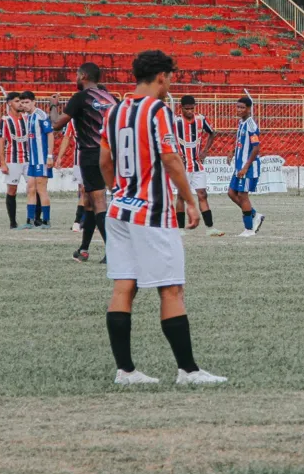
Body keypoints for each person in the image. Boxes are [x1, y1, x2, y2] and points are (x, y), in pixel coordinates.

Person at [99, 50, 226, 386]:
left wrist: (120, 190)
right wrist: (191, 202)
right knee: (171, 288)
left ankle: (125, 371)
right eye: (171, 76)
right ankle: (188, 371)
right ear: (161, 77)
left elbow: (105, 162)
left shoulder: (114, 111)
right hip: (152, 212)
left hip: (119, 211)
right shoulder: (158, 110)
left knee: (124, 286)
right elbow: (170, 160)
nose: (171, 83)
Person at [50, 63, 116, 263]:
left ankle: (114, 252)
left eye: (77, 74)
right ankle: (84, 249)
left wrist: (53, 105)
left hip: (91, 154)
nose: (76, 78)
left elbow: (56, 124)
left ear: (84, 76)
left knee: (98, 203)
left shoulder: (80, 98)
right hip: (113, 154)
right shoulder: (111, 98)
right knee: (88, 201)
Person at [174, 95, 224, 237]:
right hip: (182, 166)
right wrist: (176, 154)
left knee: (203, 194)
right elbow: (167, 138)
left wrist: (205, 150)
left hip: (197, 164)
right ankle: (180, 229)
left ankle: (210, 228)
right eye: (186, 109)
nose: (190, 111)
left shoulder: (201, 119)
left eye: (192, 108)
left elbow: (212, 133)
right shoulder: (175, 121)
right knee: (181, 196)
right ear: (181, 108)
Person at [227, 96, 266, 238]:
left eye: (242, 107)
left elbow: (256, 148)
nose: (239, 110)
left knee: (243, 196)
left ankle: (249, 229)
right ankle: (255, 215)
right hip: (239, 166)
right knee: (231, 193)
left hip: (247, 168)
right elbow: (239, 141)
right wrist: (232, 151)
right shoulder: (241, 123)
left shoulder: (251, 126)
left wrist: (245, 167)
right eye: (238, 107)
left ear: (249, 109)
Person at [19, 91, 55, 230]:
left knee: (41, 189)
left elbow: (50, 134)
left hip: (42, 160)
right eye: (22, 103)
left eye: (27, 102)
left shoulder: (41, 116)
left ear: (34, 101)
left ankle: (46, 221)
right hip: (32, 160)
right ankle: (30, 220)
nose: (24, 105)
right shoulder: (28, 117)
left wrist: (50, 156)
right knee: (30, 189)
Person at [0, 91, 29, 229]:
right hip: (12, 159)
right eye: (17, 101)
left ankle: (33, 220)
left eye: (21, 101)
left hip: (28, 159)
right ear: (9, 103)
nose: (20, 103)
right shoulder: (4, 121)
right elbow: (1, 142)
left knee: (33, 188)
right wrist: (3, 163)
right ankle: (13, 222)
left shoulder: (27, 118)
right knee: (12, 190)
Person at [54, 120, 89, 231]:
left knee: (90, 190)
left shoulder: (98, 114)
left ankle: (80, 221)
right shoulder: (73, 120)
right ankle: (82, 220)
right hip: (80, 160)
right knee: (83, 190)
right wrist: (59, 157)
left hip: (96, 159)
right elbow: (66, 137)